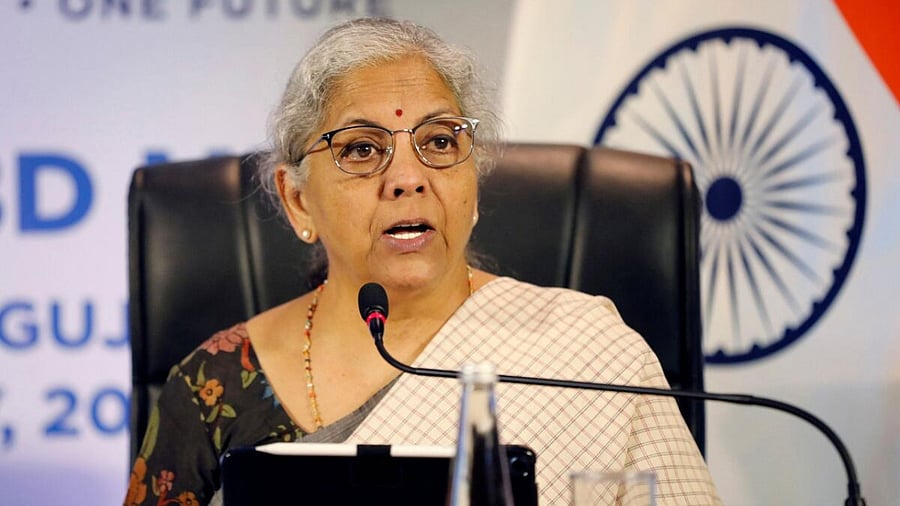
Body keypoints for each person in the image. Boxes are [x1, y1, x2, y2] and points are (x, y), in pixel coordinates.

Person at [124, 17, 721, 506]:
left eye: (439, 142)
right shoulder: (213, 386)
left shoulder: (589, 354)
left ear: (473, 181)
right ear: (297, 198)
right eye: (361, 149)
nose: (408, 178)